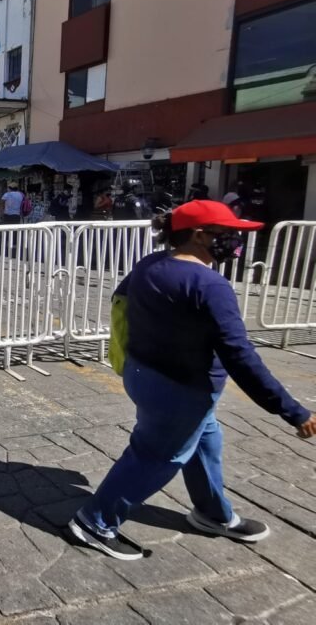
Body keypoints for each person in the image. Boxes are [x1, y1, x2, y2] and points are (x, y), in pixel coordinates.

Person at [68, 200, 315, 561]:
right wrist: (292, 410)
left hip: (143, 375)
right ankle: (94, 522)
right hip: (181, 390)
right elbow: (240, 356)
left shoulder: (150, 265)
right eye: (229, 234)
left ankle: (213, 514)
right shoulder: (209, 284)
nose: (235, 241)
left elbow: (121, 300)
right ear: (200, 235)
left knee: (205, 444)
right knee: (155, 456)